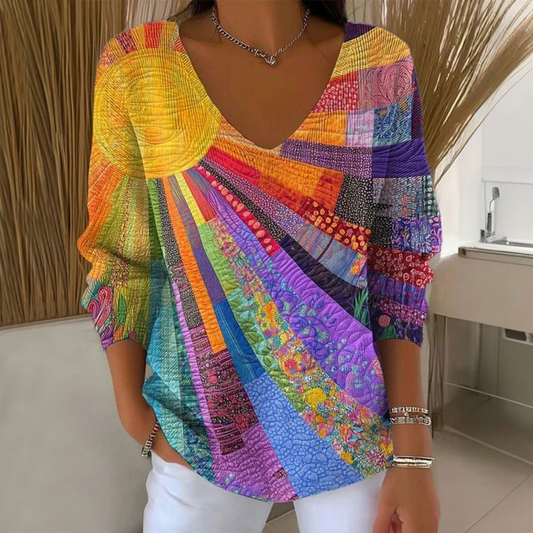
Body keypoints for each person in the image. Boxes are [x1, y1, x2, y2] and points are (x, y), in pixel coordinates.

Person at [77, 1, 442, 532]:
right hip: (199, 434)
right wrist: (137, 418)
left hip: (351, 432)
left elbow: (398, 261)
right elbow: (123, 258)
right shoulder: (139, 66)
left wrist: (413, 452)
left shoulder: (378, 66)